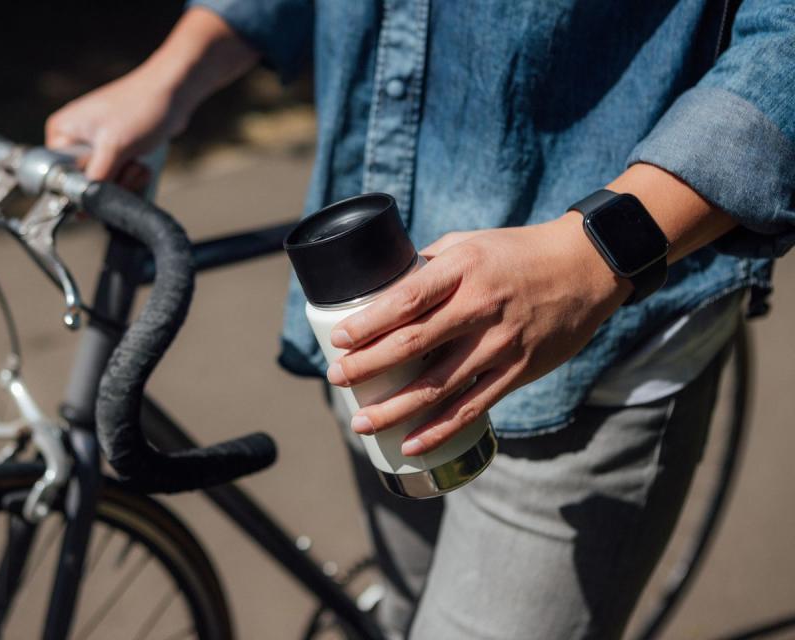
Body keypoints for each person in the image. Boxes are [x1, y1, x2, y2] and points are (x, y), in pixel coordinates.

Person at [45, 2, 794, 638]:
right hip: (376, 337)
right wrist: (174, 72)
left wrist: (594, 255)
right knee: (405, 616)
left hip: (587, 355)